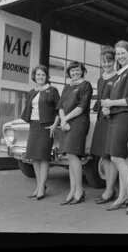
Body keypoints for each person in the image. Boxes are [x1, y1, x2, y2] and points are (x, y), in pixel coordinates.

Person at [101, 40, 128, 215]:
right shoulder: (118, 75)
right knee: (119, 158)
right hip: (114, 116)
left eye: (122, 53)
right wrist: (107, 108)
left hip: (126, 116)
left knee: (117, 157)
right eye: (118, 54)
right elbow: (111, 99)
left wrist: (112, 103)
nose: (120, 56)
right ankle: (122, 197)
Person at [21, 65, 60, 200]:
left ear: (46, 77)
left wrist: (55, 125)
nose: (40, 77)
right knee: (34, 158)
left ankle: (42, 187)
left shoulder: (53, 90)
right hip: (34, 126)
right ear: (34, 77)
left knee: (43, 158)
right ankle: (39, 186)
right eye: (38, 75)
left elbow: (58, 110)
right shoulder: (32, 91)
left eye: (43, 75)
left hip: (46, 127)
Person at [56, 61, 93, 205]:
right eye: (72, 71)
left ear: (82, 71)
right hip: (66, 122)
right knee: (69, 157)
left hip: (78, 121)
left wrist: (65, 119)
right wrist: (63, 120)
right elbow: (60, 105)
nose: (75, 73)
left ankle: (79, 190)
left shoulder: (86, 85)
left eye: (77, 70)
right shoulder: (67, 86)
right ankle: (72, 190)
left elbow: (82, 107)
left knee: (72, 154)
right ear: (69, 73)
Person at [90, 46, 119, 204]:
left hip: (112, 119)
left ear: (113, 61)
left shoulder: (118, 78)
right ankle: (109, 189)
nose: (106, 64)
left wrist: (112, 109)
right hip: (102, 119)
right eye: (103, 61)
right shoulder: (101, 79)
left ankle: (109, 191)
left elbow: (119, 99)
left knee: (111, 156)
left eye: (109, 61)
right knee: (104, 155)